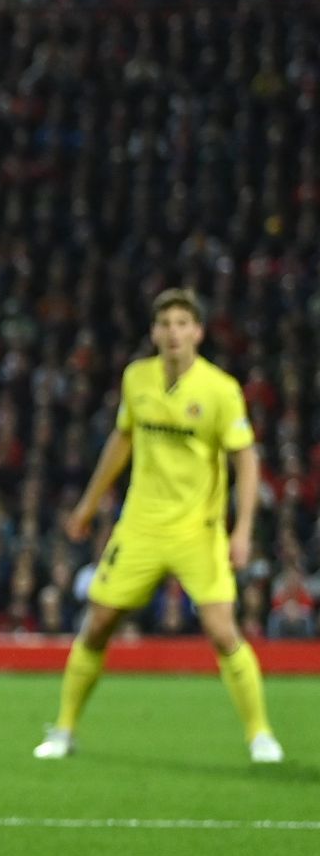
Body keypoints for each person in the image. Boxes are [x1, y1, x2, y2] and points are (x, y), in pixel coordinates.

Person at [35, 290, 283, 764]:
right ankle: (64, 729)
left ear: (198, 333)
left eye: (182, 323)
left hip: (198, 530)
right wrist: (88, 505)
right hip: (141, 527)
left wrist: (243, 529)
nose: (173, 332)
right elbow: (122, 440)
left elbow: (246, 461)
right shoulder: (137, 379)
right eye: (165, 323)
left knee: (222, 630)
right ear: (153, 332)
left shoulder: (219, 389)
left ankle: (260, 734)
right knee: (99, 622)